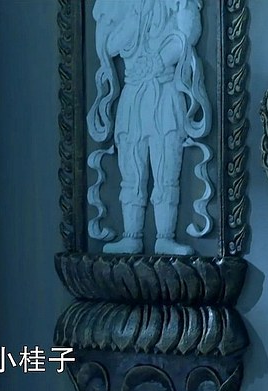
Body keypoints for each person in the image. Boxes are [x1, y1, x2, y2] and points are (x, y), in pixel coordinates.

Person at [87, 0, 211, 255]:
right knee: (131, 169)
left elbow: (188, 35)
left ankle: (165, 237)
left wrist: (159, 61)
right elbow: (109, 46)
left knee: (166, 169)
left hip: (165, 90)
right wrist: (132, 20)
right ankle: (131, 236)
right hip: (133, 93)